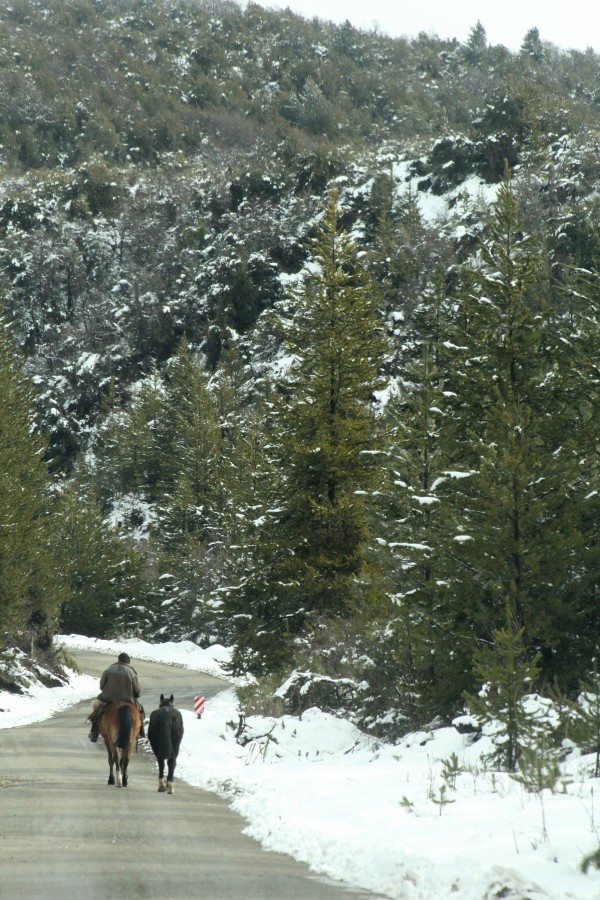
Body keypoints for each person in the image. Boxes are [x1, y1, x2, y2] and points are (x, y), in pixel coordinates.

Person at [88, 652, 145, 742]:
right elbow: (137, 690)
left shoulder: (110, 669)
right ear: (127, 662)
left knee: (97, 710)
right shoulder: (132, 672)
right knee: (140, 710)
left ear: (118, 660)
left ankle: (94, 732)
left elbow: (102, 685)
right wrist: (136, 695)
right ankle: (140, 732)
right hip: (127, 699)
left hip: (108, 698)